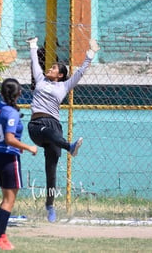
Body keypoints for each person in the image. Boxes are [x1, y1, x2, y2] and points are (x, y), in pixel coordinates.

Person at [26, 36, 100, 223]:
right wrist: (33, 45)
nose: (49, 68)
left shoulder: (64, 86)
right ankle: (70, 147)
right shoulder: (41, 80)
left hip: (54, 125)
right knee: (49, 134)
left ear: (60, 75)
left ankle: (50, 206)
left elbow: (81, 72)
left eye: (53, 68)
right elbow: (35, 63)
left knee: (51, 172)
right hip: (37, 125)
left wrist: (91, 53)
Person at [0, 78, 37, 250]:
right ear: (18, 94)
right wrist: (28, 146)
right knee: (9, 201)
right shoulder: (12, 113)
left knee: (6, 199)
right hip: (8, 158)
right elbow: (10, 139)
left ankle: (2, 234)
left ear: (2, 92)